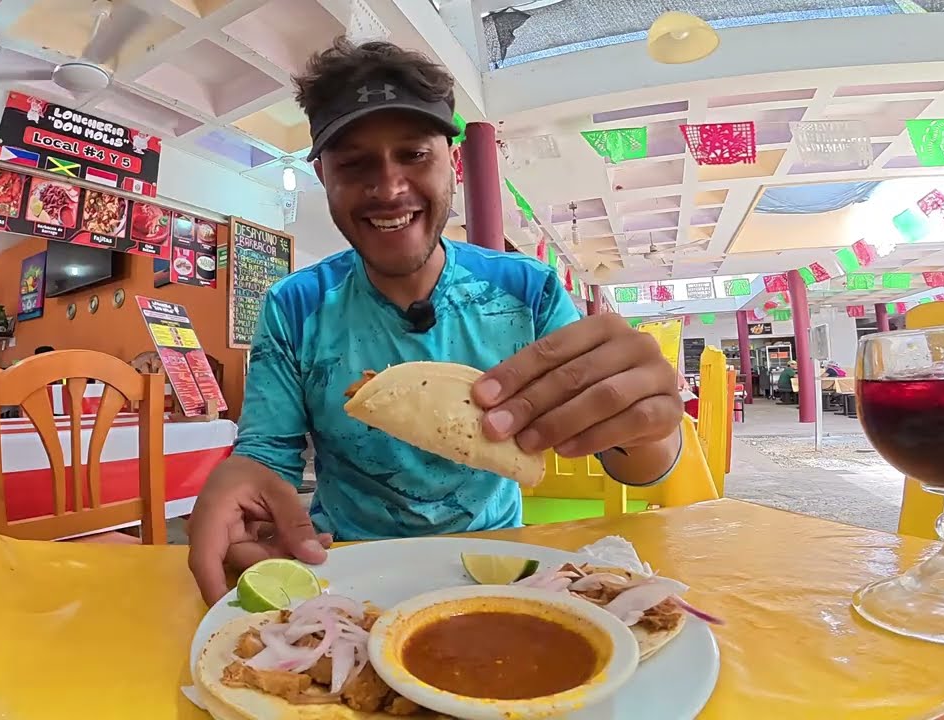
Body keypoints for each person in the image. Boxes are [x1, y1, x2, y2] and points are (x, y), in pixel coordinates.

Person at [187, 38, 683, 605]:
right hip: (346, 566)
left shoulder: (529, 292)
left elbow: (631, 462)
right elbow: (266, 458)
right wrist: (241, 477)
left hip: (497, 562)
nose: (389, 188)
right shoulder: (293, 306)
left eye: (414, 155)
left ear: (454, 164)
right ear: (324, 175)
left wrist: (652, 427)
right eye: (354, 163)